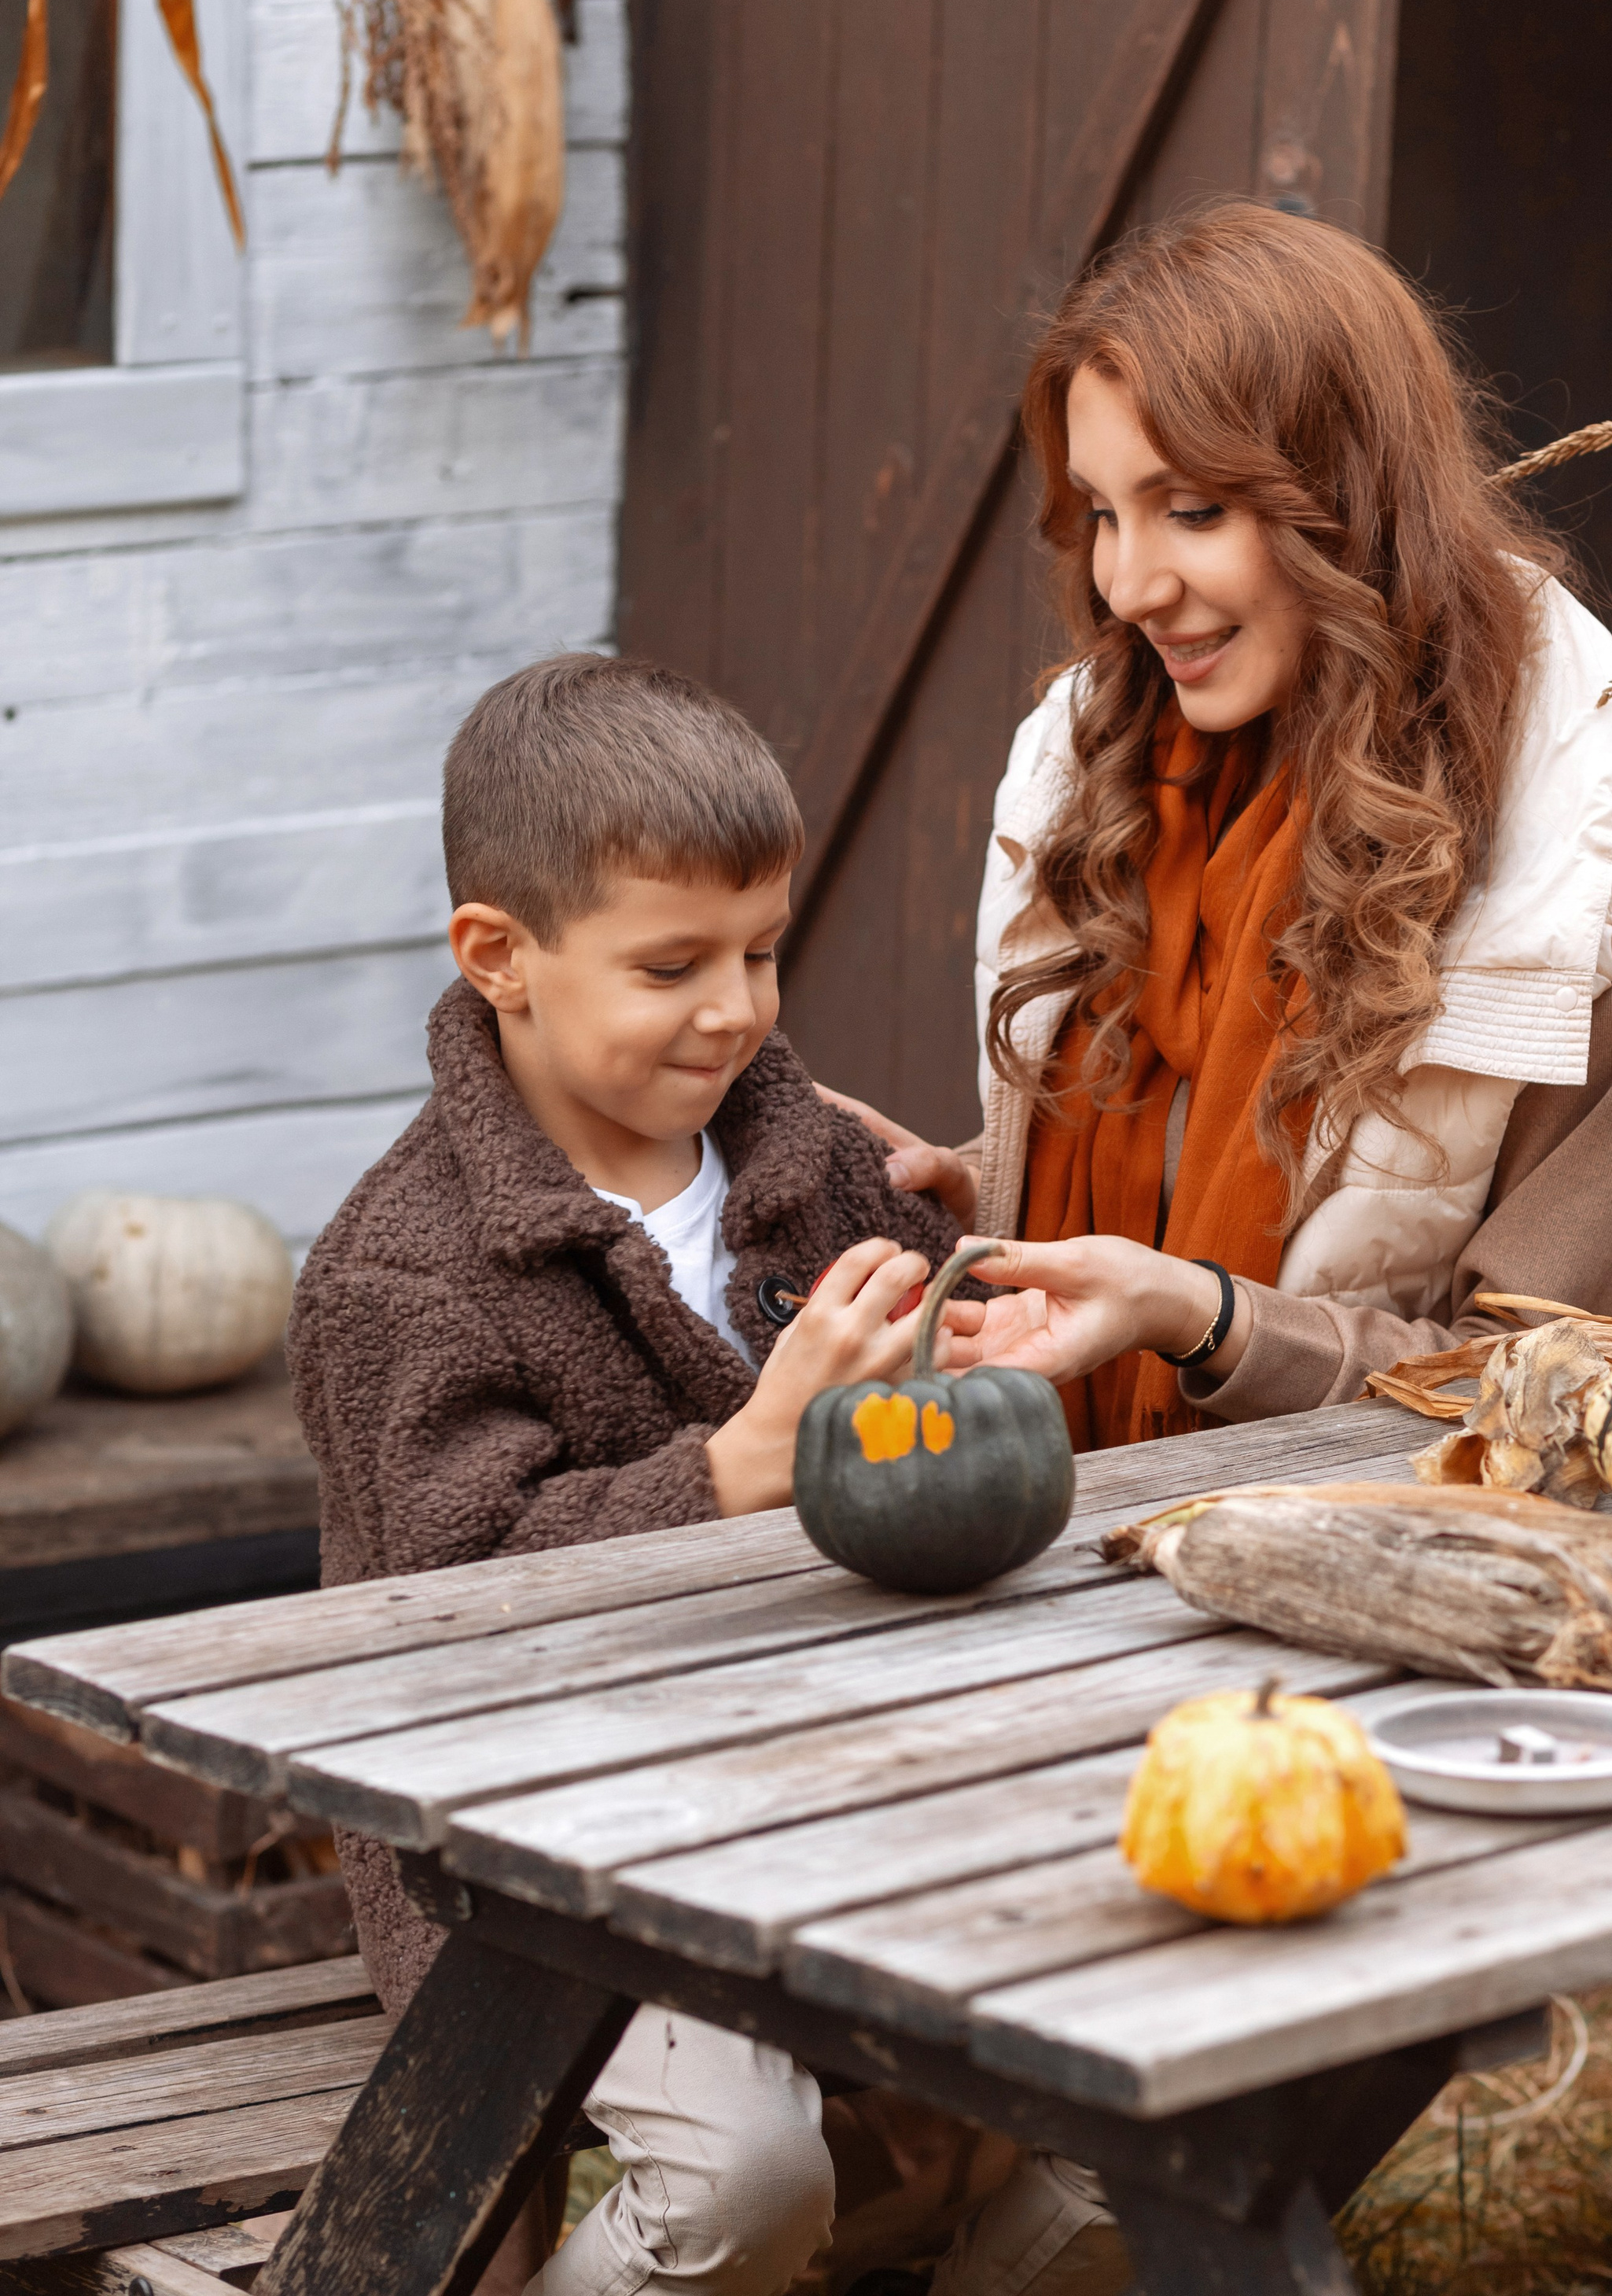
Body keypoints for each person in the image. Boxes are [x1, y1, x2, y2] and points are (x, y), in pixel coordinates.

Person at [291, 654, 1098, 2296]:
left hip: (844, 1778)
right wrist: (739, 1464)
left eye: (761, 950)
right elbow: (450, 1609)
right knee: (745, 2182)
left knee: (1147, 2113)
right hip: (532, 1843)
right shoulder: (403, 1274)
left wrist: (967, 1371)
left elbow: (930, 1432)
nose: (735, 1008)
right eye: (672, 966)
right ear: (499, 959)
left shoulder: (816, 1167)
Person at [844, 201, 1612, 1447]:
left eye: (1193, 510)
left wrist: (1209, 1323)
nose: (1128, 586)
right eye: (1103, 512)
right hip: (1063, 1530)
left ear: (1358, 502)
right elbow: (1216, 1179)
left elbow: (1571, 1412)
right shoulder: (1101, 776)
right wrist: (982, 1193)